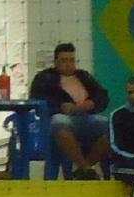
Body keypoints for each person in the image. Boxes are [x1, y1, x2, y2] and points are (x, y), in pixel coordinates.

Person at [28, 42, 110, 180]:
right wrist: (60, 107)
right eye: (64, 60)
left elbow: (102, 95)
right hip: (62, 118)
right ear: (55, 62)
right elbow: (38, 101)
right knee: (59, 121)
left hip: (87, 117)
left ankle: (85, 168)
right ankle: (85, 168)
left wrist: (92, 104)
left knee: (111, 127)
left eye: (71, 60)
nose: (68, 64)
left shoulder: (84, 76)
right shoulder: (44, 78)